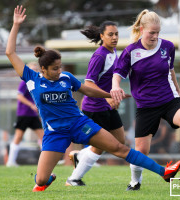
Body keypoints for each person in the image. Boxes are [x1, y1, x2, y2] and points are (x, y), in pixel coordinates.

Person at [6, 5, 180, 192]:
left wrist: (111, 94)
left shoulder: (66, 77)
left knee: (119, 147)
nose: (59, 71)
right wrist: (16, 25)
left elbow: (88, 90)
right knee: (40, 181)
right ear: (43, 69)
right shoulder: (32, 79)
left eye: (60, 67)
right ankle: (48, 177)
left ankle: (164, 172)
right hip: (55, 132)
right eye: (55, 69)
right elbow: (10, 53)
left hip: (79, 123)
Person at [110, 9, 180, 191]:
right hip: (146, 106)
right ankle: (135, 182)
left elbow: (170, 70)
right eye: (152, 32)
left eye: (158, 32)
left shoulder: (168, 46)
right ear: (142, 30)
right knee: (141, 151)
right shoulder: (131, 52)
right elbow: (118, 74)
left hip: (169, 100)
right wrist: (115, 86)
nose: (155, 36)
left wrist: (178, 91)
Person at [66, 21, 126, 186]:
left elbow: (112, 79)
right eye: (110, 34)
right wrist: (107, 97)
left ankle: (80, 156)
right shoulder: (99, 56)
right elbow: (88, 83)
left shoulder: (114, 52)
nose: (114, 38)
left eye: (116, 34)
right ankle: (73, 179)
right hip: (94, 108)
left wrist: (114, 96)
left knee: (120, 141)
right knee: (100, 146)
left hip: (106, 106)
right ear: (102, 36)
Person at [6, 62, 44, 167]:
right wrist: (31, 105)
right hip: (23, 114)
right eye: (32, 69)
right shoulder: (25, 82)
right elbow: (19, 96)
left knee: (43, 137)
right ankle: (10, 162)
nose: (35, 70)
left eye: (36, 69)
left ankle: (46, 161)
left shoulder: (37, 83)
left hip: (33, 115)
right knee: (18, 137)